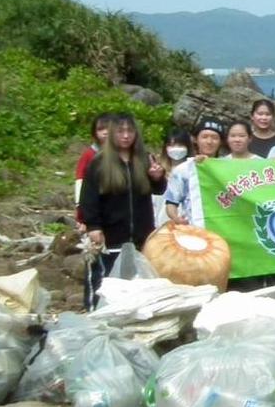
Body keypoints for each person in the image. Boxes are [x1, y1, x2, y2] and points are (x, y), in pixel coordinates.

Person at [79, 115, 166, 309]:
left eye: (130, 131)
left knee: (137, 283)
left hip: (141, 235)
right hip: (110, 236)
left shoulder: (143, 159)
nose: (126, 136)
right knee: (104, 281)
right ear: (112, 134)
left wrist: (157, 177)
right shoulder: (99, 162)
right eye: (120, 131)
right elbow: (88, 197)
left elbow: (159, 190)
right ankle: (95, 314)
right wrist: (93, 225)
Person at [163, 118, 224, 227]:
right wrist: (176, 218)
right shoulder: (182, 170)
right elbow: (171, 202)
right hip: (192, 229)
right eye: (204, 137)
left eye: (215, 138)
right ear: (195, 139)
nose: (209, 142)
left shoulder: (226, 167)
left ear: (221, 141)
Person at [74, 112, 116, 227]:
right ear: (94, 133)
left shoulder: (121, 154)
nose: (105, 132)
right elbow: (80, 180)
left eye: (109, 129)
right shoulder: (89, 155)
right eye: (101, 129)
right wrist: (79, 205)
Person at [155, 129, 193, 228]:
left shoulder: (192, 170)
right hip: (159, 223)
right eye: (171, 145)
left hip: (185, 223)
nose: (176, 149)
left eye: (180, 145)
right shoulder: (158, 171)